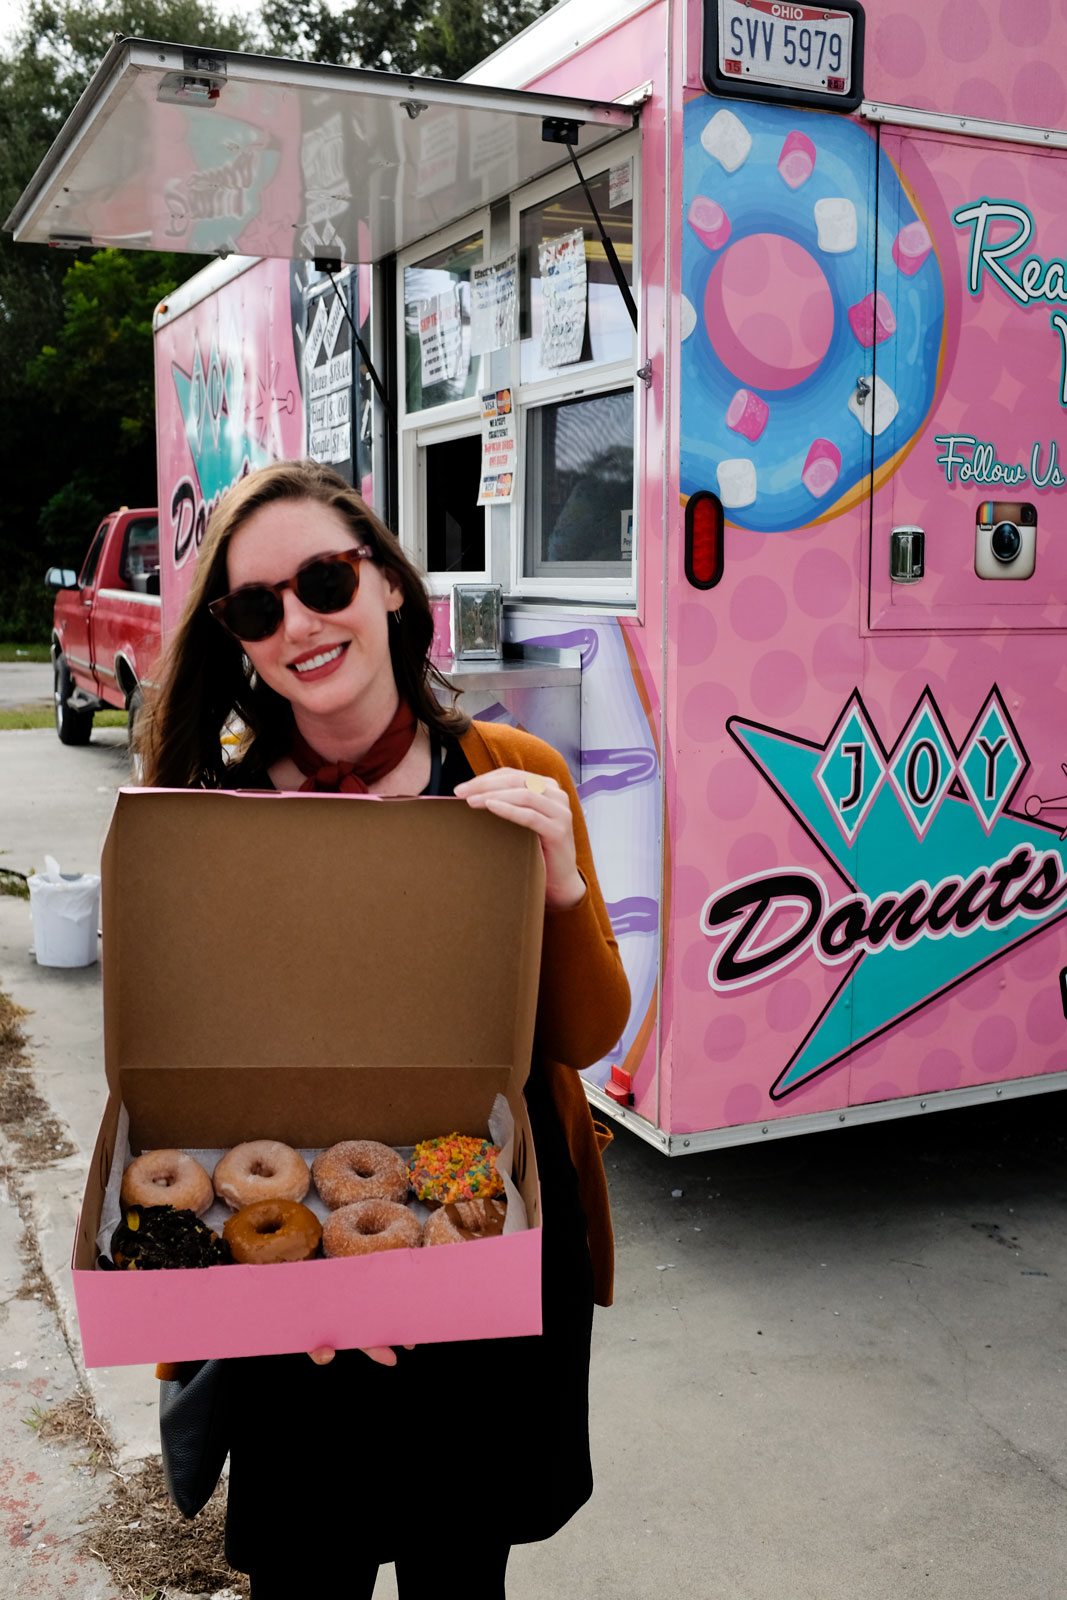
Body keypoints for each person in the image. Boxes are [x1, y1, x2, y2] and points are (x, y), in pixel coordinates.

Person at [138, 459, 630, 1598]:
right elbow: (197, 1078)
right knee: (308, 1575)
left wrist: (554, 882)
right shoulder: (220, 815)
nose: (300, 623)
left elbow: (584, 1033)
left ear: (391, 586)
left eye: (323, 579)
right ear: (239, 639)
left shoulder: (514, 774)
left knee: (463, 1575)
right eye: (259, 607)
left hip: (486, 1236)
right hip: (298, 1271)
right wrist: (295, 1292)